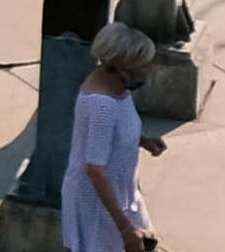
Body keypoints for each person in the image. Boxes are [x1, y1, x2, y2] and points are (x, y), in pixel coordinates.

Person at [69, 21, 168, 252]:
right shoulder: (102, 105)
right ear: (124, 69)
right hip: (102, 207)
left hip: (124, 193)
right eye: (145, 65)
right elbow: (94, 169)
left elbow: (110, 133)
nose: (149, 70)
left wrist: (141, 140)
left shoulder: (118, 87)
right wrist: (124, 229)